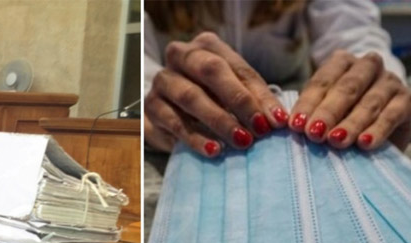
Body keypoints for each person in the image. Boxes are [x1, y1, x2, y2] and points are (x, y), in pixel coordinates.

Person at [143, 0, 411, 158]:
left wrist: (371, 84)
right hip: (192, 128)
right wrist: (150, 95)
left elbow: (355, 35)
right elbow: (135, 56)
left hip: (299, 135)